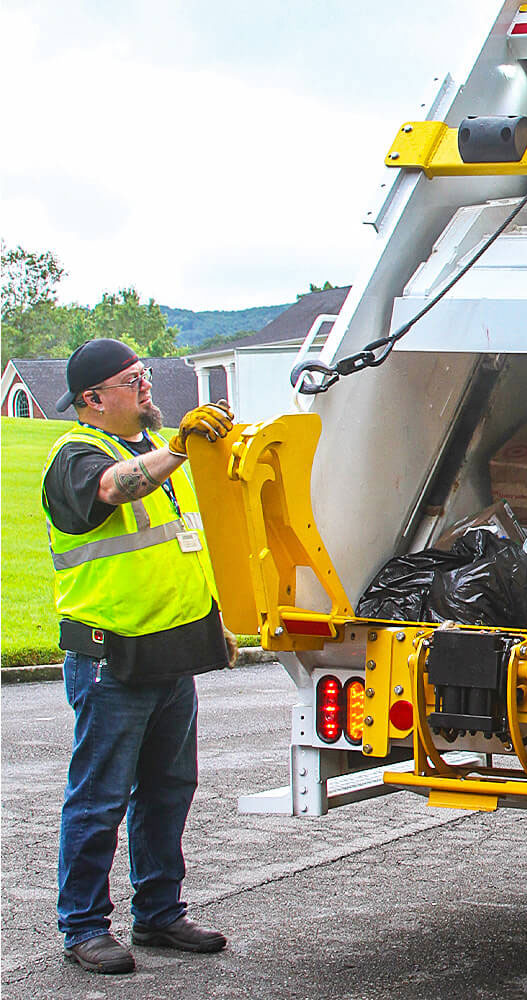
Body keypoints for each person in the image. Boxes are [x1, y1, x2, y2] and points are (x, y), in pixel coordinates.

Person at [42, 339, 238, 975]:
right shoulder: (78, 456)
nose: (147, 387)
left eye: (146, 375)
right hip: (112, 659)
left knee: (167, 790)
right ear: (93, 399)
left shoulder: (143, 453)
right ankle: (83, 928)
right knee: (99, 798)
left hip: (170, 652)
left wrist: (216, 625)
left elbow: (177, 550)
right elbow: (111, 490)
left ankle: (158, 913)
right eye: (132, 380)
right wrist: (178, 448)